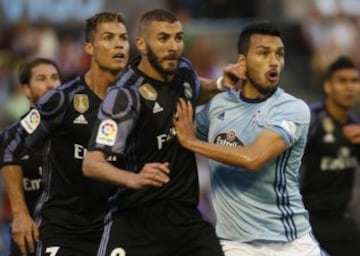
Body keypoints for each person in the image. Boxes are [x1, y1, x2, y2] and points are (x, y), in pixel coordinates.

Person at [82, 8, 239, 256]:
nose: (174, 46)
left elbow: (196, 88)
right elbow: (92, 163)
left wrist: (220, 84)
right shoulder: (125, 95)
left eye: (178, 37)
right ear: (142, 45)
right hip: (136, 220)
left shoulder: (184, 71)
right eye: (163, 38)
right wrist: (133, 178)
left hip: (185, 218)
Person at [173, 21, 324, 256]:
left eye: (279, 54)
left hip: (289, 241)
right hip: (236, 244)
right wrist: (219, 85)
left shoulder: (292, 109)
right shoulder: (219, 105)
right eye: (263, 53)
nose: (274, 61)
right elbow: (177, 123)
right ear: (241, 62)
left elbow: (253, 158)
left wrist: (192, 142)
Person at [0, 11, 130, 256]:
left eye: (123, 38)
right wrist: (19, 214)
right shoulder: (64, 99)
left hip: (115, 231)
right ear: (89, 48)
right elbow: (9, 143)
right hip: (66, 233)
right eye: (109, 37)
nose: (118, 44)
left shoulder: (135, 101)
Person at [0, 58, 62, 256]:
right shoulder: (12, 136)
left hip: (71, 235)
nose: (51, 84)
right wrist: (19, 214)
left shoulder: (77, 130)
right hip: (27, 235)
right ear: (26, 90)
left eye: (55, 78)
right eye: (41, 79)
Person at [300, 56, 360, 256]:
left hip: (340, 218)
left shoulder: (355, 124)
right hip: (306, 219)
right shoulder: (311, 119)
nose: (349, 87)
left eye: (354, 81)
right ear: (327, 86)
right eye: (342, 81)